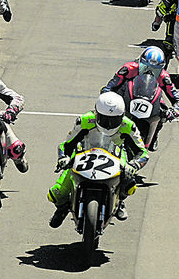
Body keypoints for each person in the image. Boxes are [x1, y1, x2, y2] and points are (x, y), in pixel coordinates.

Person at [48, 92, 146, 226]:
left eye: (114, 120)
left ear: (122, 116)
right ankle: (62, 208)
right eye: (105, 119)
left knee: (130, 185)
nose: (109, 125)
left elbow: (142, 152)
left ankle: (120, 200)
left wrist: (133, 165)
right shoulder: (85, 121)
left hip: (115, 155)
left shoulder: (128, 126)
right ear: (97, 113)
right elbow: (65, 145)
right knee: (56, 193)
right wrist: (63, 158)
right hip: (84, 153)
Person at [101, 46, 179, 141]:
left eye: (155, 70)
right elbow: (110, 86)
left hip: (150, 99)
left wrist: (173, 111)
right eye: (146, 68)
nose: (150, 72)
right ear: (140, 62)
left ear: (161, 69)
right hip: (126, 96)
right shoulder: (128, 69)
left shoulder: (164, 77)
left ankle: (154, 134)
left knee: (163, 109)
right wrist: (107, 96)